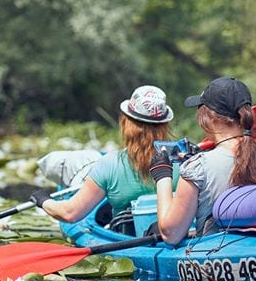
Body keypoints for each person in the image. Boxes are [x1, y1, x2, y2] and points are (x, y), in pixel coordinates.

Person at [149, 76, 256, 245]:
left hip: (214, 259)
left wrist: (162, 175)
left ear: (211, 118)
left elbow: (171, 234)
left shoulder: (198, 167)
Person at [31, 85, 173, 228]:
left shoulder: (109, 164)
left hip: (125, 239)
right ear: (165, 124)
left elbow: (70, 213)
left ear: (126, 122)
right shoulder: (182, 161)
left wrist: (43, 200)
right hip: (174, 237)